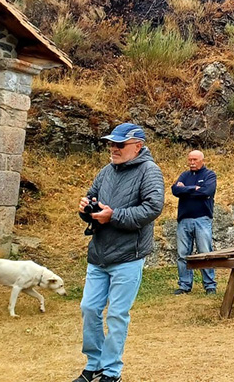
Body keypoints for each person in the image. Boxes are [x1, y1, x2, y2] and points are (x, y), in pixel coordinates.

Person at [73, 123, 164, 382]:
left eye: (120, 144)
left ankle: (111, 372)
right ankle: (94, 364)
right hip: (99, 253)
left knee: (116, 315)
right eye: (111, 144)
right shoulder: (105, 171)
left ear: (138, 146)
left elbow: (152, 208)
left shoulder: (150, 171)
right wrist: (86, 208)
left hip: (128, 256)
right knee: (89, 308)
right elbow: (93, 199)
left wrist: (114, 216)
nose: (113, 148)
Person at [171, 149, 218, 295]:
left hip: (202, 219)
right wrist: (193, 188)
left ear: (202, 160)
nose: (192, 163)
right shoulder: (185, 175)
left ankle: (210, 285)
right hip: (184, 220)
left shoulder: (209, 175)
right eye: (190, 160)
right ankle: (184, 285)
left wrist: (185, 189)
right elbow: (175, 190)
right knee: (182, 254)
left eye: (195, 160)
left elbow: (206, 192)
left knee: (205, 252)